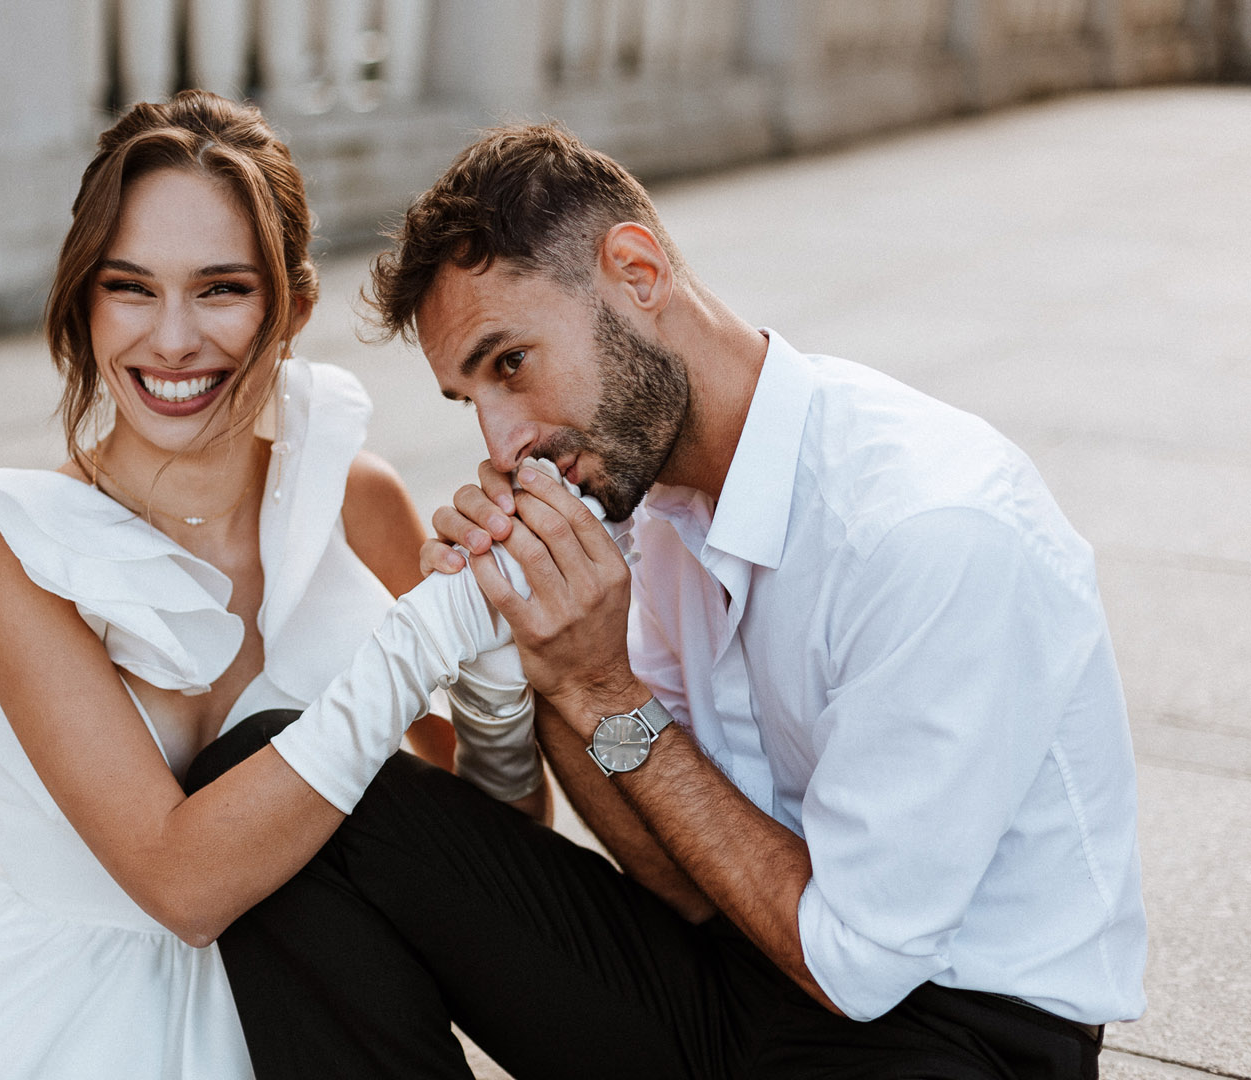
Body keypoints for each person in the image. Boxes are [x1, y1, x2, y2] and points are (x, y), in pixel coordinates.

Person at [193, 124, 1147, 1079]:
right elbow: (685, 884)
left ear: (637, 272)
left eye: (511, 363)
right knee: (278, 790)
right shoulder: (642, 499)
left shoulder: (926, 528)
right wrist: (546, 656)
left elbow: (855, 964)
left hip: (948, 1033)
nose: (503, 442)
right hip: (742, 967)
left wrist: (601, 685)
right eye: (471, 398)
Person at [0, 90, 550, 1080]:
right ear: (84, 303)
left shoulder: (355, 497)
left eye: (220, 290)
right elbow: (182, 887)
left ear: (291, 309)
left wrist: (498, 678)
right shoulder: (5, 542)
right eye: (130, 288)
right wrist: (423, 641)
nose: (171, 340)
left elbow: (494, 851)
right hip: (62, 1012)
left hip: (330, 995)